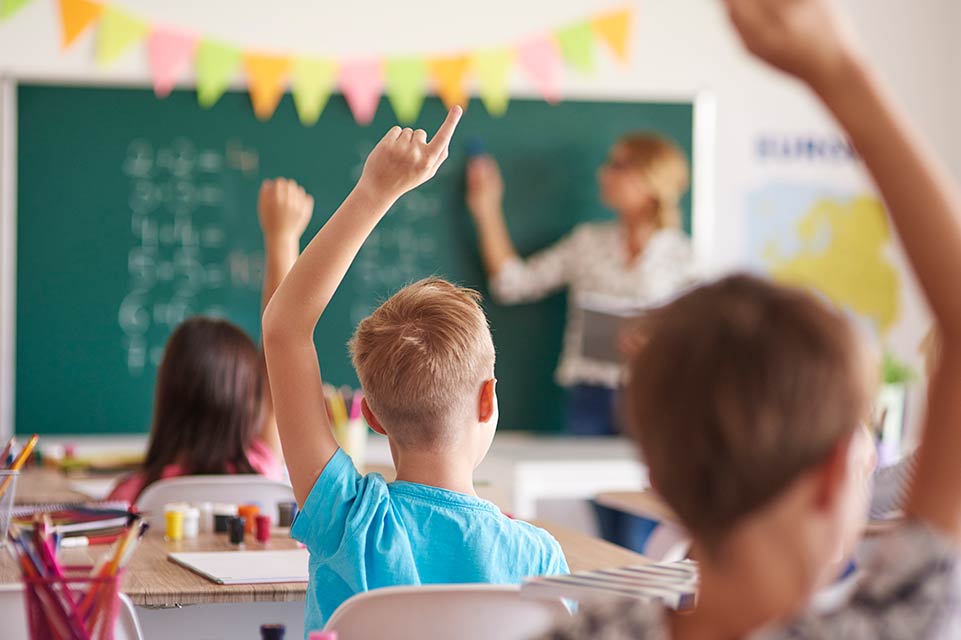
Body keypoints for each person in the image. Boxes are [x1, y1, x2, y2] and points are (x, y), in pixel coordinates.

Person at [541, 0, 961, 637]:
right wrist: (839, 70)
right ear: (836, 474)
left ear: (652, 471)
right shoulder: (886, 628)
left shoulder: (582, 633)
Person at [262, 108, 568, 631]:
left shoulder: (349, 521)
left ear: (373, 416)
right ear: (488, 399)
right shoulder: (538, 561)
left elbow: (285, 329)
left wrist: (375, 191)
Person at [466, 133, 696, 435]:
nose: (604, 173)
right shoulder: (587, 242)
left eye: (619, 165)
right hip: (589, 398)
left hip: (655, 394)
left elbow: (701, 339)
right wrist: (486, 209)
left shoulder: (684, 257)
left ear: (650, 179)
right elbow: (511, 284)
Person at [108, 178, 314, 503]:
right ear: (250, 399)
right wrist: (282, 238)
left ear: (167, 396)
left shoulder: (133, 496)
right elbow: (280, 354)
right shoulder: (263, 469)